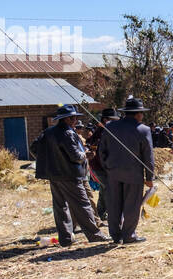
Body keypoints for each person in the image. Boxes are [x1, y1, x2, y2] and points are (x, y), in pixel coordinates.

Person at [36, 105, 110, 247]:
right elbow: (75, 156)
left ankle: (65, 238)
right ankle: (94, 235)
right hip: (70, 175)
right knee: (83, 205)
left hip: (54, 175)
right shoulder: (67, 133)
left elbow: (35, 148)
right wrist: (87, 155)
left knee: (60, 207)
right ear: (67, 119)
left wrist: (51, 160)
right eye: (73, 117)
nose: (76, 120)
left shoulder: (48, 132)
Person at [98, 96, 155, 244]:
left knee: (114, 204)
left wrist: (107, 167)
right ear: (137, 114)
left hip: (112, 173)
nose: (142, 116)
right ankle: (129, 235)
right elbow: (148, 156)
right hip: (133, 174)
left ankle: (116, 236)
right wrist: (149, 177)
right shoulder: (144, 130)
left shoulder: (110, 127)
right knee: (132, 205)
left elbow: (101, 151)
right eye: (141, 113)